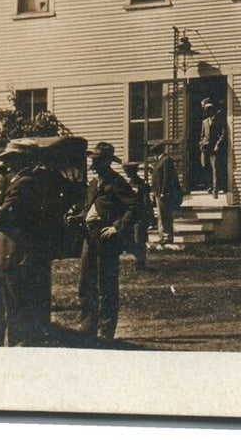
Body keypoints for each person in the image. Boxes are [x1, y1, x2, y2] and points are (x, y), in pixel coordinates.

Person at [0, 139, 57, 347]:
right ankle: (21, 342)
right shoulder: (24, 179)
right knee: (18, 300)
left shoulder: (25, 182)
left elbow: (3, 212)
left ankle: (21, 344)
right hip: (18, 249)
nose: (9, 163)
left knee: (17, 301)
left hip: (17, 249)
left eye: (14, 159)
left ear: (24, 160)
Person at [78, 142, 139, 341]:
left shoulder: (117, 182)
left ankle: (106, 330)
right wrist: (79, 216)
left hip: (106, 238)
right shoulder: (95, 183)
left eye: (97, 160)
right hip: (90, 236)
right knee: (86, 281)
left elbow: (135, 207)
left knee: (106, 284)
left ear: (106, 162)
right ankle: (88, 326)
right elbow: (91, 207)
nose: (93, 164)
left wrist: (117, 227)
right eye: (93, 160)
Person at [123, 161, 156, 271]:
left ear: (134, 172)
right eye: (126, 172)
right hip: (130, 216)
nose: (128, 174)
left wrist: (151, 220)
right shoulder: (127, 185)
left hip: (140, 216)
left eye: (129, 172)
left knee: (139, 240)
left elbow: (147, 203)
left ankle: (141, 263)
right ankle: (138, 259)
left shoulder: (142, 185)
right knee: (128, 240)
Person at [148, 148, 183, 246]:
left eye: (154, 154)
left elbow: (167, 177)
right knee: (161, 215)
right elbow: (158, 175)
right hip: (158, 192)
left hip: (164, 193)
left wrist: (163, 192)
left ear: (157, 152)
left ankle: (168, 237)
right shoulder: (160, 161)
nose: (154, 156)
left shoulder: (166, 160)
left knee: (165, 215)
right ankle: (162, 236)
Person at [198, 97, 228, 198]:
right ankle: (209, 186)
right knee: (205, 167)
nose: (207, 111)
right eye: (206, 110)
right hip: (205, 148)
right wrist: (201, 145)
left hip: (214, 149)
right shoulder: (204, 122)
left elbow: (223, 135)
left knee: (215, 169)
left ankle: (215, 190)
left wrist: (217, 145)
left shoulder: (219, 119)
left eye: (208, 109)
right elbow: (202, 136)